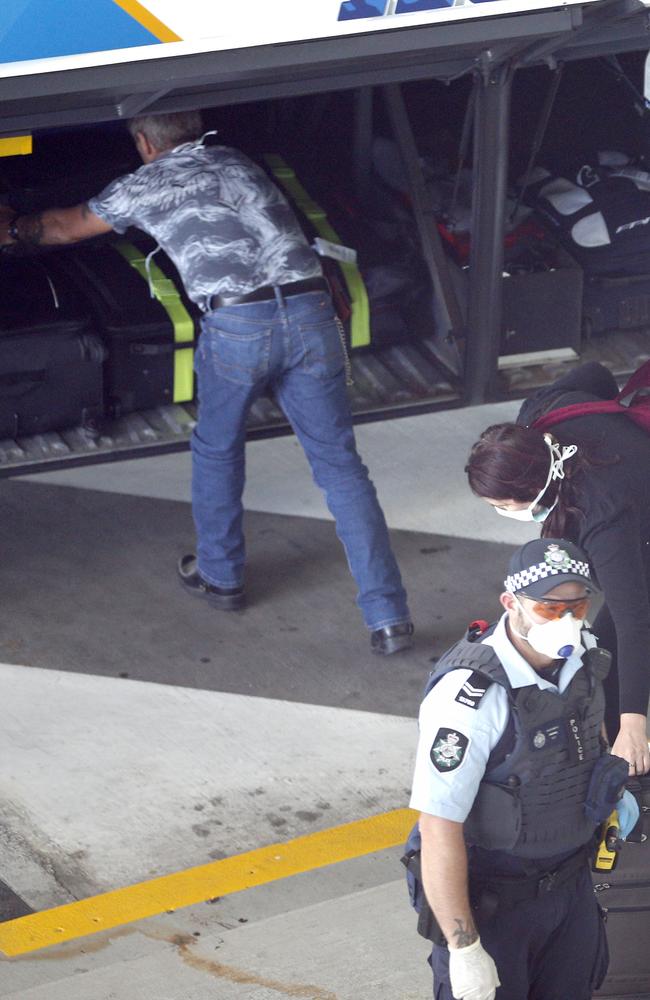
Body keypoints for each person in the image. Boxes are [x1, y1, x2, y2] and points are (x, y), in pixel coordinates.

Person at [0, 111, 414, 655]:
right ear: (194, 131)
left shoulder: (145, 183)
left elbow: (64, 227)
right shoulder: (237, 161)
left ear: (146, 143)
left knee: (217, 448)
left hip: (239, 325)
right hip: (313, 312)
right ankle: (388, 616)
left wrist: (9, 227)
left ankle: (221, 576)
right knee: (340, 466)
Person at [409, 537, 638, 1000]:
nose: (569, 621)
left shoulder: (585, 656)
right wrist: (464, 947)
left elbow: (585, 736)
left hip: (569, 885)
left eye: (578, 606)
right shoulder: (471, 699)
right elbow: (437, 828)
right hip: (494, 904)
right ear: (511, 603)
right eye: (551, 609)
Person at [465, 361, 650, 772]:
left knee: (617, 639)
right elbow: (598, 373)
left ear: (533, 488)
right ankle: (605, 739)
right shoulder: (541, 416)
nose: (499, 513)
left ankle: (622, 755)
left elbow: (635, 622)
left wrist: (635, 723)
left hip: (635, 511)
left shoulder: (601, 516)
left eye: (502, 506)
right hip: (633, 477)